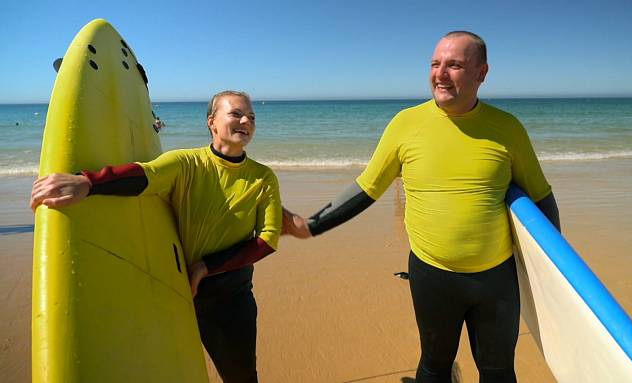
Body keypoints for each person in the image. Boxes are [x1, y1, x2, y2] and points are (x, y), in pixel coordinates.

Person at [284, 31, 560, 383]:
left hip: (496, 280)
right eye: (435, 63)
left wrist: (553, 275)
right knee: (434, 366)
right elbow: (367, 187)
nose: (440, 73)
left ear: (482, 73)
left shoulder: (507, 128)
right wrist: (312, 225)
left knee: (498, 371)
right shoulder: (406, 123)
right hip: (432, 275)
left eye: (455, 65)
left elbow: (540, 197)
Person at [31, 90, 281, 383]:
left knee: (241, 378)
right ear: (212, 122)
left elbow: (267, 240)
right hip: (171, 292)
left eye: (251, 117)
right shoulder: (187, 163)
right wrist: (87, 182)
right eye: (236, 114)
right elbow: (144, 175)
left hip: (230, 298)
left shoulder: (263, 178)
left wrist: (205, 266)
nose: (245, 121)